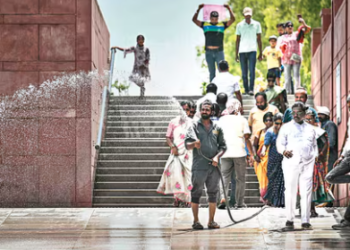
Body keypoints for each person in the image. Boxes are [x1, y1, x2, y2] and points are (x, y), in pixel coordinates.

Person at [185, 99, 227, 230]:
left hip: (214, 166)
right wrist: (194, 144)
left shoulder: (217, 128)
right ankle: (196, 221)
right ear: (200, 110)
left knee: (213, 193)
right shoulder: (194, 126)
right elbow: (187, 145)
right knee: (196, 193)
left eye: (207, 109)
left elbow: (223, 147)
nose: (204, 111)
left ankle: (211, 221)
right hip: (199, 166)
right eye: (203, 109)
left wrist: (217, 156)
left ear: (211, 111)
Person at [277, 102, 318, 230]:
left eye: (298, 112)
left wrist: (314, 156)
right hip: (290, 163)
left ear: (305, 114)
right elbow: (279, 143)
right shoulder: (286, 127)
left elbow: (314, 146)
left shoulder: (311, 128)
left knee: (306, 191)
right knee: (290, 190)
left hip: (307, 163)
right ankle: (290, 220)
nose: (295, 115)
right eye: (293, 113)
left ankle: (305, 221)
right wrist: (284, 151)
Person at [217, 99, 254, 209]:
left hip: (225, 152)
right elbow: (247, 136)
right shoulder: (242, 119)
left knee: (224, 177)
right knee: (240, 178)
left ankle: (223, 197)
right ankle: (240, 203)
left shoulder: (221, 120)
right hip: (239, 152)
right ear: (237, 108)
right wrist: (251, 154)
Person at [157, 101, 193, 207]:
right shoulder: (173, 122)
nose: (184, 111)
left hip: (188, 154)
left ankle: (188, 199)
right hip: (176, 153)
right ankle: (177, 198)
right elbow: (168, 137)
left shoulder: (193, 122)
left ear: (190, 111)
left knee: (189, 176)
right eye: (182, 109)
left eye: (186, 109)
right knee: (177, 176)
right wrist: (172, 146)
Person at [326, 95, 350, 230]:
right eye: (348, 107)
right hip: (348, 155)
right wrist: (341, 156)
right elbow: (348, 139)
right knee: (330, 177)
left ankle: (347, 220)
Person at [192, 4, 235, 81]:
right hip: (209, 53)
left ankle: (223, 88)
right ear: (210, 18)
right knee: (212, 73)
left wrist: (229, 8)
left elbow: (233, 19)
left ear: (218, 18)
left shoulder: (222, 25)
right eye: (213, 18)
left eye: (216, 19)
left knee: (222, 72)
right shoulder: (205, 25)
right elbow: (194, 20)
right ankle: (212, 90)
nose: (214, 20)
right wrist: (198, 9)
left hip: (219, 52)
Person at [305, 110, 333, 217]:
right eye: (306, 119)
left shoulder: (318, 131)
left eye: (310, 119)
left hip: (314, 163)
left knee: (312, 187)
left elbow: (326, 142)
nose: (308, 121)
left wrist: (321, 154)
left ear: (314, 120)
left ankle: (312, 209)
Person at [235, 7, 262, 96]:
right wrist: (236, 54)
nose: (248, 18)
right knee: (244, 72)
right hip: (242, 51)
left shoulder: (256, 24)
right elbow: (237, 40)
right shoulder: (239, 25)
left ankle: (251, 89)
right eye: (246, 16)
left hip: (252, 50)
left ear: (251, 15)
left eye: (249, 16)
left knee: (252, 71)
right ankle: (246, 89)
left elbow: (259, 39)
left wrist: (260, 52)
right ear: (243, 15)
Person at [280, 20, 311, 94]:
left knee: (296, 75)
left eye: (291, 26)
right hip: (287, 59)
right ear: (285, 28)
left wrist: (303, 22)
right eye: (288, 26)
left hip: (295, 58)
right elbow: (281, 48)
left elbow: (307, 29)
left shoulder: (297, 34)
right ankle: (288, 92)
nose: (290, 27)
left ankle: (297, 91)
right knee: (287, 77)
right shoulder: (283, 37)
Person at [263, 113, 285, 207]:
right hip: (273, 158)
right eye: (276, 123)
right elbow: (266, 144)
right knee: (272, 179)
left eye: (281, 123)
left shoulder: (285, 132)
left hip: (283, 158)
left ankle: (281, 202)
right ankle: (270, 200)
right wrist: (263, 151)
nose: (279, 126)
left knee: (282, 181)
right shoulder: (270, 132)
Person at [253, 112, 274, 203]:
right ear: (264, 121)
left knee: (271, 178)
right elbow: (254, 145)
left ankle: (271, 198)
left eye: (270, 120)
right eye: (267, 120)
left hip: (272, 158)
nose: (269, 122)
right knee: (262, 179)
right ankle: (264, 197)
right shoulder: (260, 132)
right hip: (261, 159)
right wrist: (254, 155)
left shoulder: (276, 131)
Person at [318, 106, 338, 172]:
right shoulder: (322, 126)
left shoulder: (329, 124)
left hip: (330, 156)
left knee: (328, 176)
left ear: (326, 116)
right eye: (318, 114)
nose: (319, 116)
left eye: (321, 114)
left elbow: (331, 142)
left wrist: (323, 151)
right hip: (324, 156)